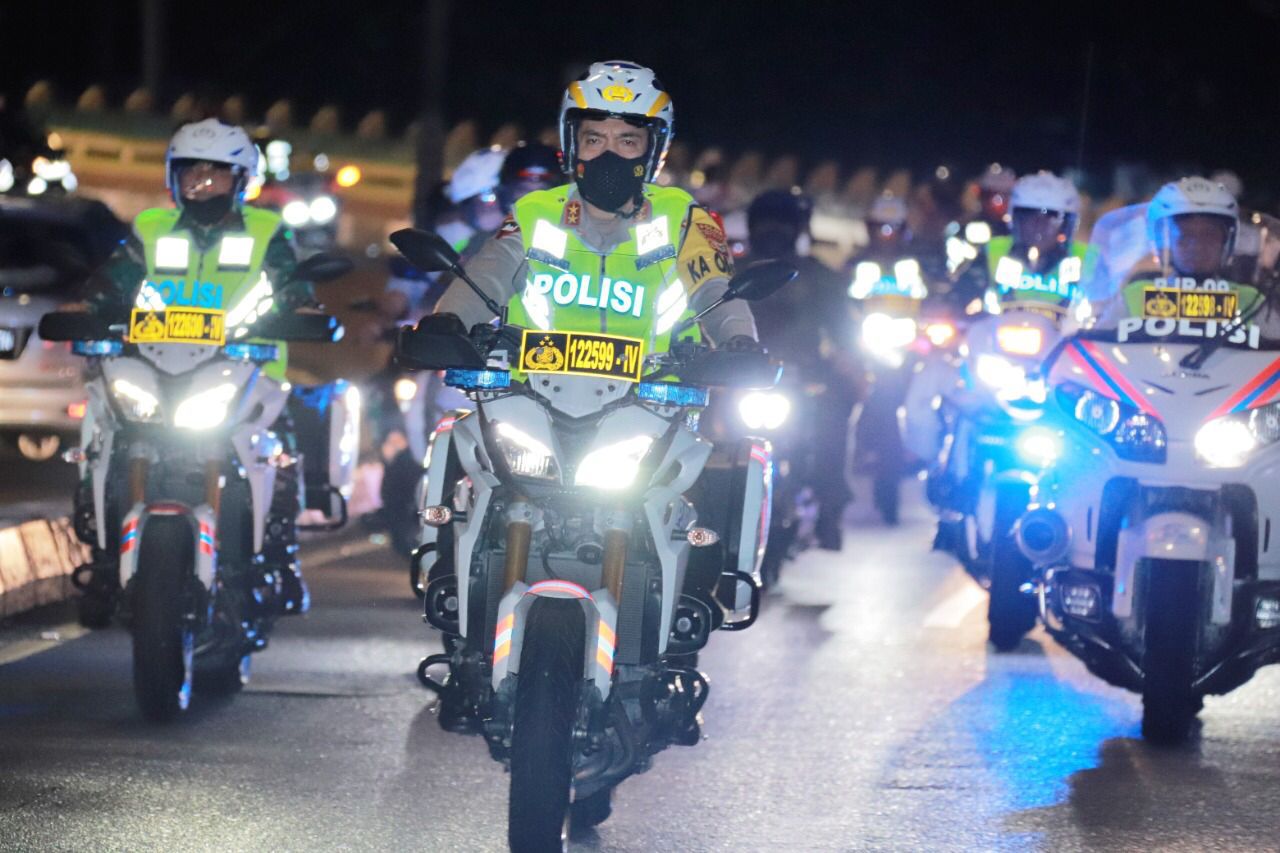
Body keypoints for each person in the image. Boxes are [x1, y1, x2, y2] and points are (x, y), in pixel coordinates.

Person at [83, 118, 322, 615]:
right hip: (154, 364)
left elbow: (293, 287)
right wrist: (83, 309)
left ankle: (281, 557)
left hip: (247, 367)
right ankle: (102, 559)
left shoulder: (267, 231)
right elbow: (113, 279)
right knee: (100, 436)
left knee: (284, 448)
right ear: (174, 178)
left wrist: (304, 312)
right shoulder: (151, 227)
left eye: (217, 174)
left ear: (242, 180)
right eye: (191, 174)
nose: (203, 184)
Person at [743, 188, 860, 546]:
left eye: (781, 223)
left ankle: (831, 508)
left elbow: (844, 332)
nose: (773, 231)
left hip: (805, 379)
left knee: (833, 421)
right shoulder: (732, 273)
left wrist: (846, 363)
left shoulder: (820, 277)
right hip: (744, 380)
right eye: (765, 223)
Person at [952, 170, 1086, 317]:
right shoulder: (995, 251)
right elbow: (962, 294)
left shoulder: (1086, 258)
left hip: (1065, 339)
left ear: (1068, 224)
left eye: (1051, 217)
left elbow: (1104, 307)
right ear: (1015, 219)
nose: (1038, 225)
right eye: (1028, 216)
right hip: (996, 337)